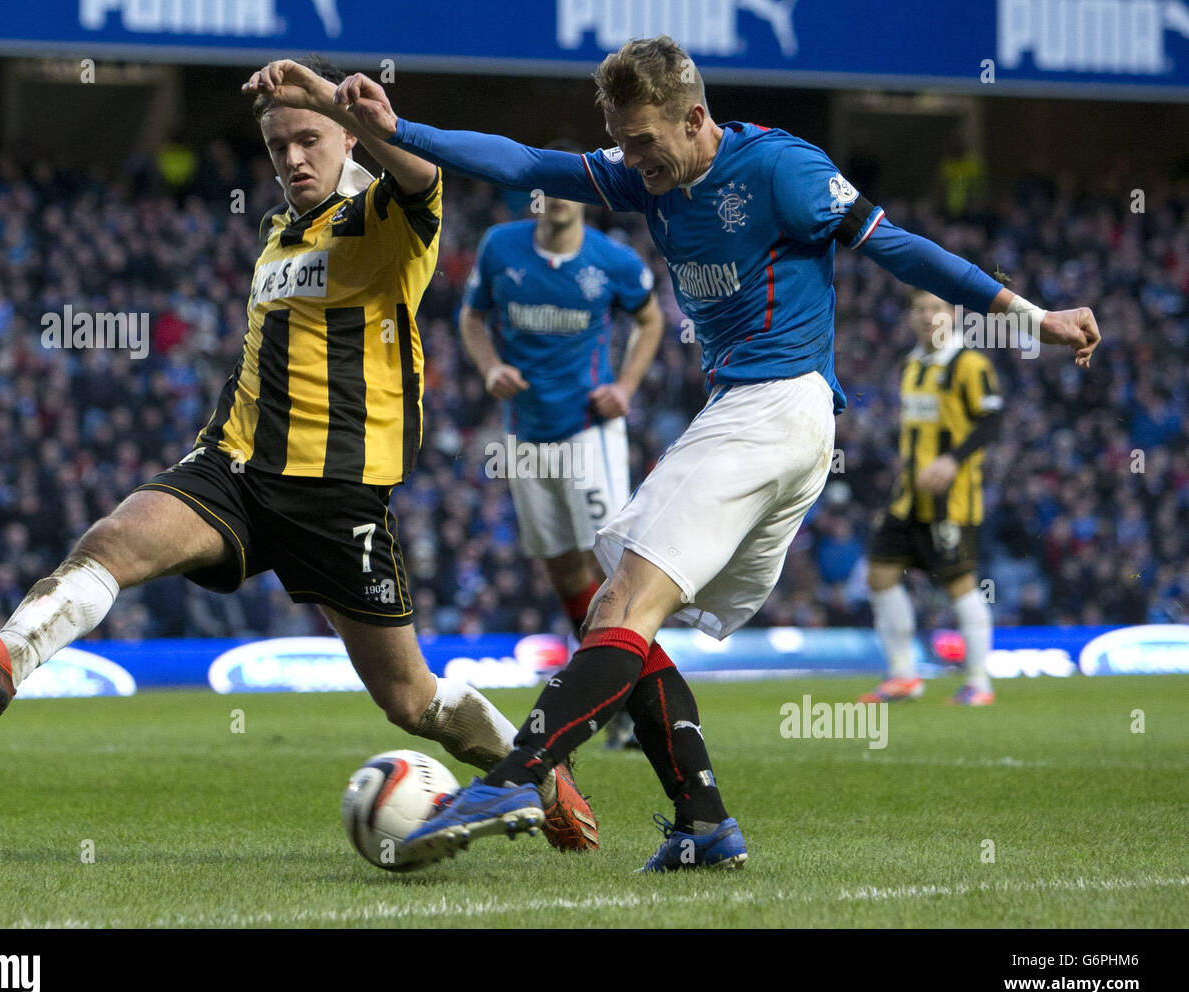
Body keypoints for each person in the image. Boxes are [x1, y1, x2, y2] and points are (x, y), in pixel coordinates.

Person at [330, 35, 1101, 870]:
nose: (631, 162)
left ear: (696, 118)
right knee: (621, 615)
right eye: (621, 143)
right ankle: (704, 825)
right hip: (759, 419)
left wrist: (1033, 316)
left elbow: (899, 246)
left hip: (779, 405)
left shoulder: (782, 170)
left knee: (622, 599)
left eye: (645, 143)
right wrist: (400, 128)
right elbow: (518, 164)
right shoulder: (638, 174)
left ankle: (520, 774)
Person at [0, 54, 596, 854]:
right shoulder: (278, 234)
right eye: (280, 148)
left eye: (310, 140)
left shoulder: (386, 219)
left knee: (411, 699)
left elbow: (419, 173)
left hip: (338, 495)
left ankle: (542, 777)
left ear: (346, 141)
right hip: (232, 472)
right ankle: (8, 656)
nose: (295, 159)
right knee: (111, 539)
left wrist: (335, 103)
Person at [459, 150, 663, 748]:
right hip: (526, 429)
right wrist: (491, 365)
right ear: (534, 197)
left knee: (611, 568)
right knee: (559, 564)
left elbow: (651, 321)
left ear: (584, 197)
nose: (556, 197)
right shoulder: (501, 248)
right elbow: (471, 320)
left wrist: (625, 387)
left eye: (567, 188)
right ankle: (610, 694)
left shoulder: (613, 261)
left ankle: (633, 701)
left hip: (589, 428)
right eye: (546, 188)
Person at [860, 290, 1001, 706]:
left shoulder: (970, 364)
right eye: (919, 309)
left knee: (959, 582)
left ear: (953, 315)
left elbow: (993, 422)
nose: (928, 316)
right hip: (907, 498)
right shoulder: (911, 364)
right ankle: (904, 676)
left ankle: (979, 682)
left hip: (953, 500)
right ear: (909, 317)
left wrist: (952, 461)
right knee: (880, 573)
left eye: (936, 308)